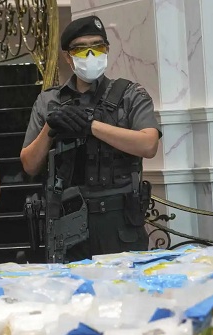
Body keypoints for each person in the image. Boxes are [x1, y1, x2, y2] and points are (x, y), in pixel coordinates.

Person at [20, 16, 161, 262]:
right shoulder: (49, 101)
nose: (90, 55)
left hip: (118, 219)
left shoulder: (130, 95)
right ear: (68, 57)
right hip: (67, 218)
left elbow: (148, 144)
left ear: (107, 50)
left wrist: (91, 126)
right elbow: (29, 164)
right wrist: (50, 127)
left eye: (97, 47)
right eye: (81, 49)